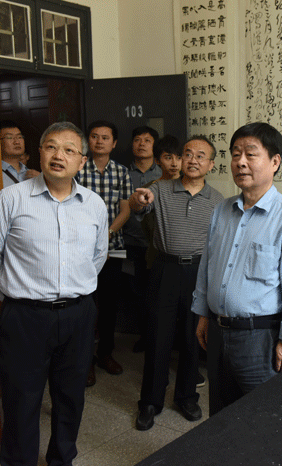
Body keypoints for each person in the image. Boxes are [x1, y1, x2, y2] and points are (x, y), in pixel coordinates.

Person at [0, 122, 108, 466]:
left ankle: (61, 459)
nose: (58, 155)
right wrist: (16, 297)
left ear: (82, 161)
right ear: (39, 152)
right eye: (51, 147)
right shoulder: (10, 199)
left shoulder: (94, 204)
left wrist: (73, 289)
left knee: (71, 397)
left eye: (69, 150)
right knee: (21, 399)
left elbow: (97, 257)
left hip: (79, 314)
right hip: (25, 316)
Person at [192, 122, 282, 416]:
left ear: (275, 162)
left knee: (262, 419)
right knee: (220, 416)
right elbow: (208, 266)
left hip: (260, 339)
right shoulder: (221, 210)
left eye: (250, 154)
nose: (240, 162)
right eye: (235, 154)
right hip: (218, 332)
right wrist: (203, 315)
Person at [129, 136, 224, 429]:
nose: (193, 160)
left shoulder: (218, 200)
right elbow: (139, 206)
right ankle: (150, 401)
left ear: (211, 164)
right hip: (165, 269)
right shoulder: (160, 190)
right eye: (187, 154)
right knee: (158, 337)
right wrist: (137, 201)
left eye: (200, 156)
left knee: (192, 338)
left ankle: (186, 397)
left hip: (199, 273)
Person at [76, 120, 133, 386]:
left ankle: (106, 354)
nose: (99, 141)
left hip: (113, 248)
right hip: (82, 251)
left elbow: (125, 210)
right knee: (85, 307)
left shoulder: (121, 172)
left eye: (105, 137)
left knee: (109, 306)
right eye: (94, 136)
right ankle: (85, 360)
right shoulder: (77, 169)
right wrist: (94, 241)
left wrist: (106, 235)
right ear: (88, 140)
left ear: (114, 143)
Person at [132, 134, 183, 354]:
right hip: (156, 256)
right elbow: (146, 224)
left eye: (179, 157)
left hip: (185, 260)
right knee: (154, 307)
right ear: (158, 160)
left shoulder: (191, 187)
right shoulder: (150, 189)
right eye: (168, 157)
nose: (174, 163)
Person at [124, 126, 162, 354]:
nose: (141, 144)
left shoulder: (164, 173)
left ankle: (160, 339)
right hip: (132, 243)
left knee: (160, 295)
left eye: (147, 140)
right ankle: (145, 337)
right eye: (137, 140)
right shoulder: (123, 173)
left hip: (158, 246)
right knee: (138, 294)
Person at [0, 120, 39, 188]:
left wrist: (42, 182)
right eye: (9, 137)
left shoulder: (32, 174)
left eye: (19, 137)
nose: (17, 142)